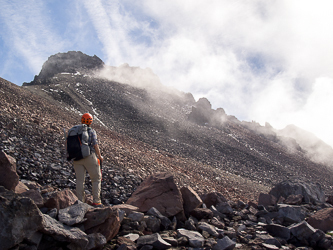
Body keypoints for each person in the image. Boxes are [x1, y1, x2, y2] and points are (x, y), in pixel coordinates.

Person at [72, 113, 103, 206]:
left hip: (77, 157)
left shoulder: (74, 130)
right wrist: (100, 156)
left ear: (81, 120)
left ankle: (80, 202)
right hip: (89, 156)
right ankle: (96, 201)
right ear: (91, 121)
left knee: (80, 180)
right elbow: (95, 144)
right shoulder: (91, 131)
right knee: (96, 178)